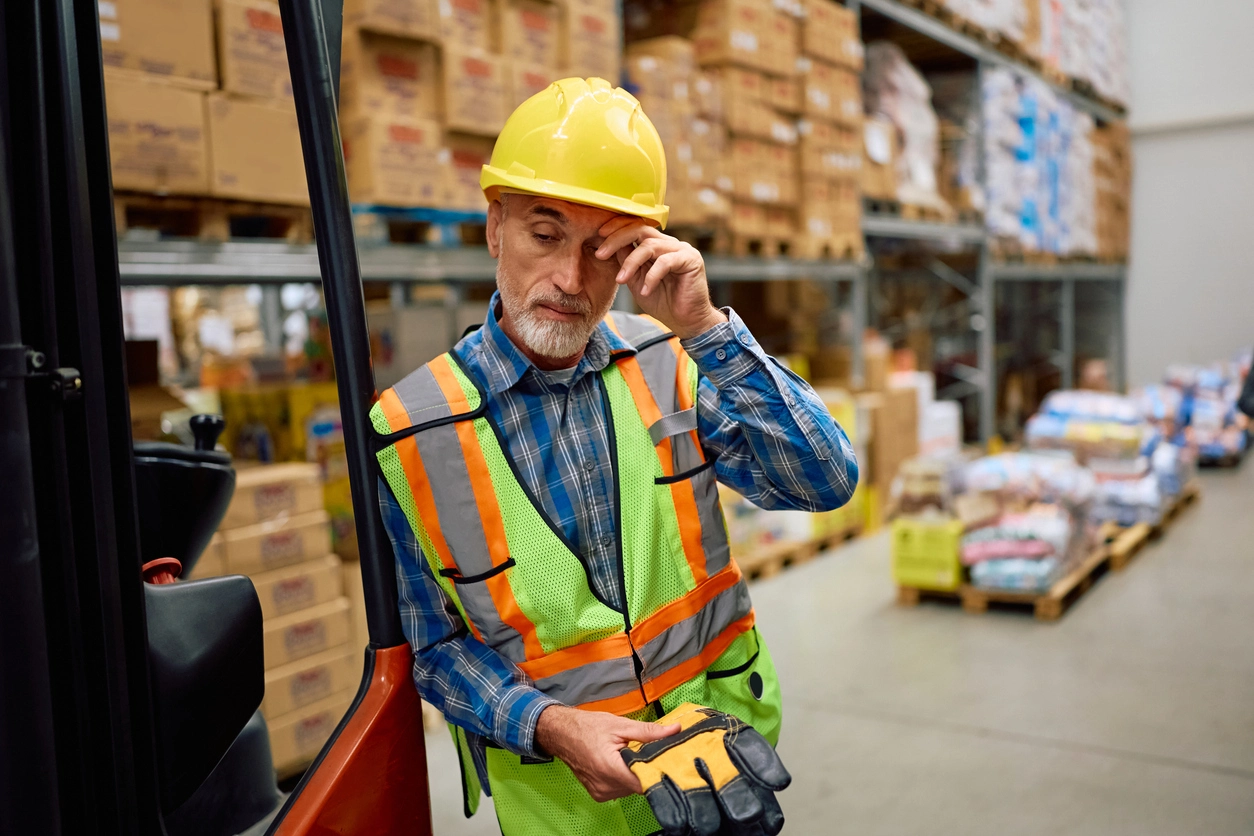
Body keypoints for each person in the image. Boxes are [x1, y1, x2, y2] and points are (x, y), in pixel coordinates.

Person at [371, 78, 858, 835]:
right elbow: (432, 648)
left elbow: (824, 480)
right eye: (544, 234)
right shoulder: (412, 430)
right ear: (493, 225)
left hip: (719, 770)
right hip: (566, 809)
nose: (571, 280)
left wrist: (706, 328)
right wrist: (551, 725)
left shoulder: (672, 362)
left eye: (604, 249)